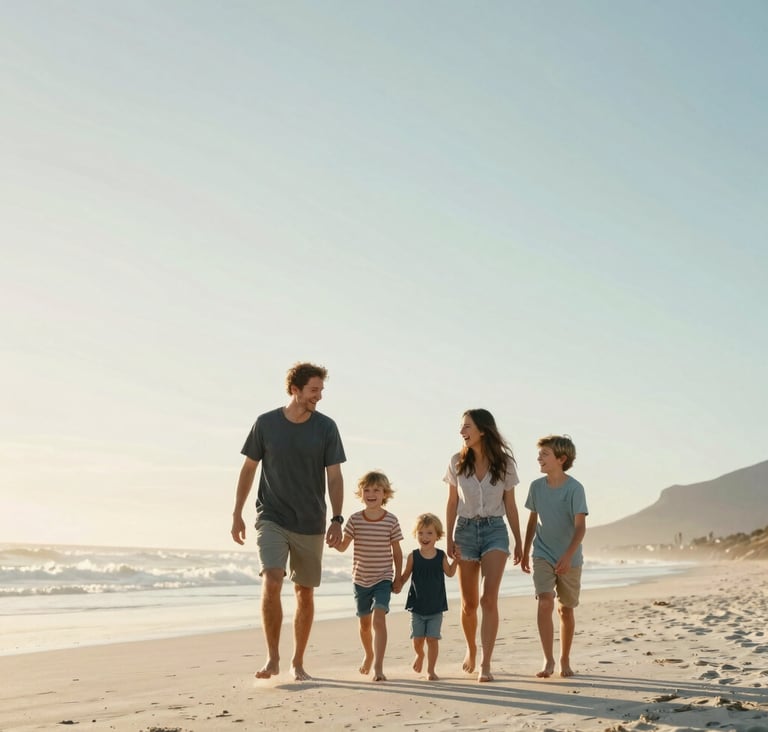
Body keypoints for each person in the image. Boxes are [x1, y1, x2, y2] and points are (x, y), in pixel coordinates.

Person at [230, 362, 346, 681]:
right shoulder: (265, 424)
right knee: (272, 577)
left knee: (304, 592)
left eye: (321, 390)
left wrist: (337, 518)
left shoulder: (326, 428)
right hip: (272, 515)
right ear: (295, 389)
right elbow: (249, 469)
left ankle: (297, 661)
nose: (319, 396)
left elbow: (334, 477)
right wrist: (237, 512)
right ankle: (273, 657)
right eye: (313, 390)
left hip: (311, 520)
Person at [444, 408, 523, 683]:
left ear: (482, 430)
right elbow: (452, 502)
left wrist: (519, 540)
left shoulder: (505, 464)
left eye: (467, 426)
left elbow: (510, 505)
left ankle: (486, 664)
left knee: (488, 599)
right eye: (461, 426)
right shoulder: (457, 462)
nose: (462, 431)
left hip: (495, 531)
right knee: (468, 604)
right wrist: (449, 538)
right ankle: (470, 648)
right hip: (465, 530)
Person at [521, 434, 588, 678]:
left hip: (570, 556)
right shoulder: (536, 487)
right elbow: (532, 521)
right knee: (545, 602)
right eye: (539, 454)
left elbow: (580, 527)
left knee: (566, 610)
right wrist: (524, 548)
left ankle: (564, 659)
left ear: (561, 458)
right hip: (542, 553)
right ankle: (548, 660)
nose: (539, 458)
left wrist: (568, 556)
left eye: (544, 454)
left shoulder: (574, 489)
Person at [335, 470, 403, 682]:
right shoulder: (355, 520)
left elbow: (397, 552)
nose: (371, 494)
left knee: (379, 619)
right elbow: (343, 546)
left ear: (385, 494)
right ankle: (368, 653)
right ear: (361, 493)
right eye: (367, 490)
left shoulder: (391, 520)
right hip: (360, 579)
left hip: (383, 578)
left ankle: (379, 667)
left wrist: (398, 577)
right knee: (365, 624)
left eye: (376, 490)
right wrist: (333, 542)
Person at [400, 512, 460, 680]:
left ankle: (431, 670)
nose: (424, 537)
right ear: (416, 534)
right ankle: (419, 655)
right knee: (418, 640)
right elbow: (405, 576)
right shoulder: (413, 556)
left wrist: (456, 560)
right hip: (417, 607)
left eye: (429, 533)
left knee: (432, 639)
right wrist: (396, 584)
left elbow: (449, 573)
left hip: (436, 607)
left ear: (437, 536)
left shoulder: (440, 556)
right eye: (421, 533)